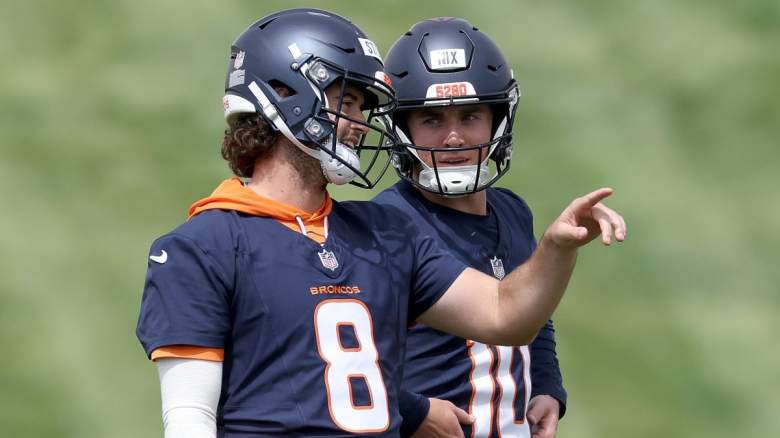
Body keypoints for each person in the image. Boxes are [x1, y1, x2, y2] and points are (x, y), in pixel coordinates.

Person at [135, 8, 626, 438]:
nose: (360, 123)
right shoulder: (201, 246)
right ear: (282, 95)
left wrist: (557, 247)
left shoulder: (383, 234)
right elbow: (189, 419)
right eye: (346, 101)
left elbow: (505, 315)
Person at [375, 18, 608, 438]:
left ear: (498, 119)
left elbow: (535, 314)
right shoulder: (382, 225)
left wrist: (547, 386)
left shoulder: (513, 210)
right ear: (401, 127)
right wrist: (409, 410)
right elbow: (345, 358)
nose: (452, 137)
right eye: (431, 120)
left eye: (470, 116)